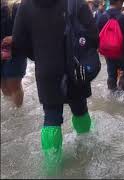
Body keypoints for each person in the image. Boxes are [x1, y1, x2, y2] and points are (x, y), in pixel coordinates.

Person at [12, 0, 98, 171]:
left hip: (46, 69)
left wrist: (40, 55)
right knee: (80, 109)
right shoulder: (76, 2)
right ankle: (86, 154)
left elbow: (19, 42)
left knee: (51, 116)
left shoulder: (26, 5)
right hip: (75, 66)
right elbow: (94, 36)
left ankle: (52, 168)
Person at [98, 0, 124, 91]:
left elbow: (96, 35)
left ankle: (111, 93)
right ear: (119, 2)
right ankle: (122, 93)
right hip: (123, 53)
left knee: (111, 74)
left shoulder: (102, 17)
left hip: (108, 53)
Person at [1, 0, 27, 108]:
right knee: (3, 86)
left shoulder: (16, 7)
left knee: (14, 85)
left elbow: (29, 28)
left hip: (15, 52)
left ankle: (19, 113)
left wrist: (14, 37)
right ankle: (13, 116)